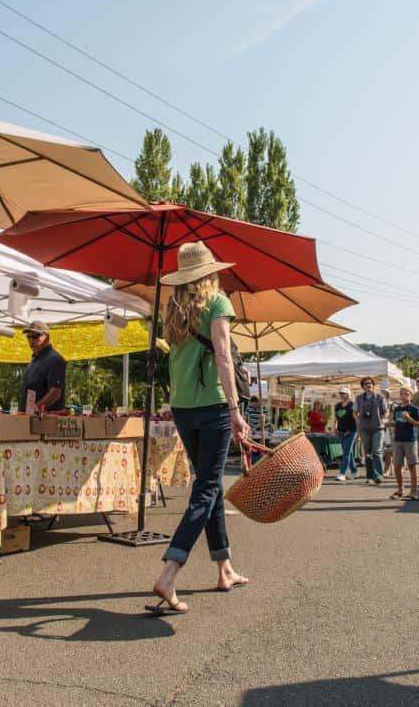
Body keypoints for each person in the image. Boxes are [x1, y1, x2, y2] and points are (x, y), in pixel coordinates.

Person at [150, 241, 250, 615]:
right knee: (207, 488)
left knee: (208, 487)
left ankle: (224, 569)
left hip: (183, 408)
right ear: (211, 272)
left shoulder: (172, 308)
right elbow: (223, 355)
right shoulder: (219, 303)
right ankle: (169, 573)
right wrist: (236, 408)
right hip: (213, 407)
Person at [20, 321, 66, 413]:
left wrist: (35, 409)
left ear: (47, 337)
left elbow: (55, 393)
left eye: (35, 336)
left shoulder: (54, 359)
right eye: (29, 337)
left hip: (46, 420)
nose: (31, 341)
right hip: (31, 418)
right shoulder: (34, 360)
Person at [390, 385, 419, 500]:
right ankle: (400, 489)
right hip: (398, 439)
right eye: (402, 393)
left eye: (406, 394)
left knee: (412, 465)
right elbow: (397, 422)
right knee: (397, 465)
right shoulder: (397, 409)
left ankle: (414, 492)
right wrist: (389, 424)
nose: (403, 396)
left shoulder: (414, 409)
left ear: (411, 396)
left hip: (410, 440)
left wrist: (410, 419)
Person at [355, 376, 387, 485]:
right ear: (363, 386)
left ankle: (378, 475)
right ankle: (369, 476)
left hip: (378, 428)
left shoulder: (380, 397)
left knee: (377, 451)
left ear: (373, 385)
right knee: (368, 453)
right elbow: (354, 411)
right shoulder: (359, 398)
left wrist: (382, 420)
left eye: (370, 383)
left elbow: (386, 411)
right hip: (364, 428)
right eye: (365, 384)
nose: (368, 385)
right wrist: (358, 420)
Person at [333, 387, 359, 482]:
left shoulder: (353, 405)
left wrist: (358, 432)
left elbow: (356, 418)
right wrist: (334, 427)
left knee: (346, 452)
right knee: (348, 452)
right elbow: (336, 418)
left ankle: (342, 473)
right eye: (340, 393)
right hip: (341, 431)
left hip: (351, 431)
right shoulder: (338, 405)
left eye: (343, 393)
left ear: (348, 395)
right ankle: (354, 471)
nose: (341, 395)